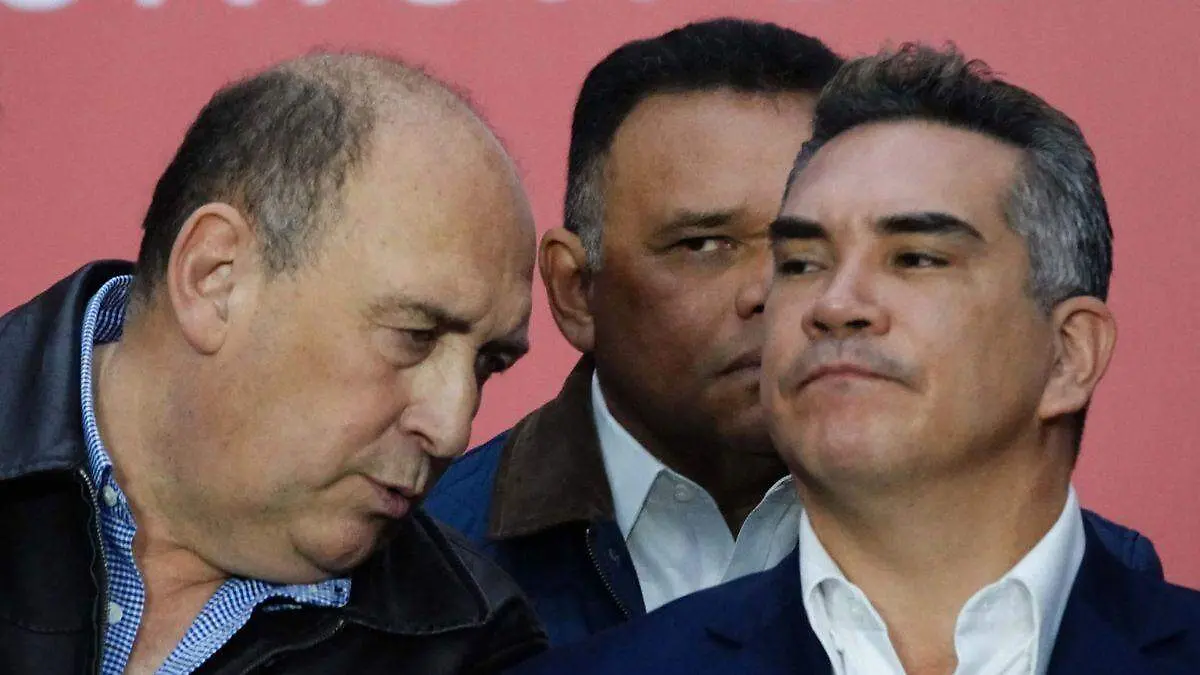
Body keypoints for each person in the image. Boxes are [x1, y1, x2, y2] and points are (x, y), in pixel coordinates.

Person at [425, 18, 1161, 650]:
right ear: (575, 289)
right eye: (704, 244)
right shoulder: (422, 562)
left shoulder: (1094, 581)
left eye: (800, 254)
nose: (773, 292)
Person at [0, 53, 546, 674]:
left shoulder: (472, 643)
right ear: (216, 278)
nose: (452, 428)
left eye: (487, 364)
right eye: (414, 336)